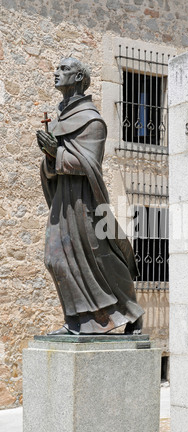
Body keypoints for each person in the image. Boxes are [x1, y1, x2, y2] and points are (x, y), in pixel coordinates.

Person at [36, 57, 144, 335]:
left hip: (85, 201)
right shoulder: (62, 119)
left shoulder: (93, 121)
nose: (56, 73)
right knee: (55, 259)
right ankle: (75, 321)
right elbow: (55, 167)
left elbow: (89, 164)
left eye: (63, 70)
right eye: (57, 68)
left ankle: (131, 311)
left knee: (99, 256)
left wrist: (55, 153)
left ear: (79, 78)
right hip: (63, 201)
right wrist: (50, 158)